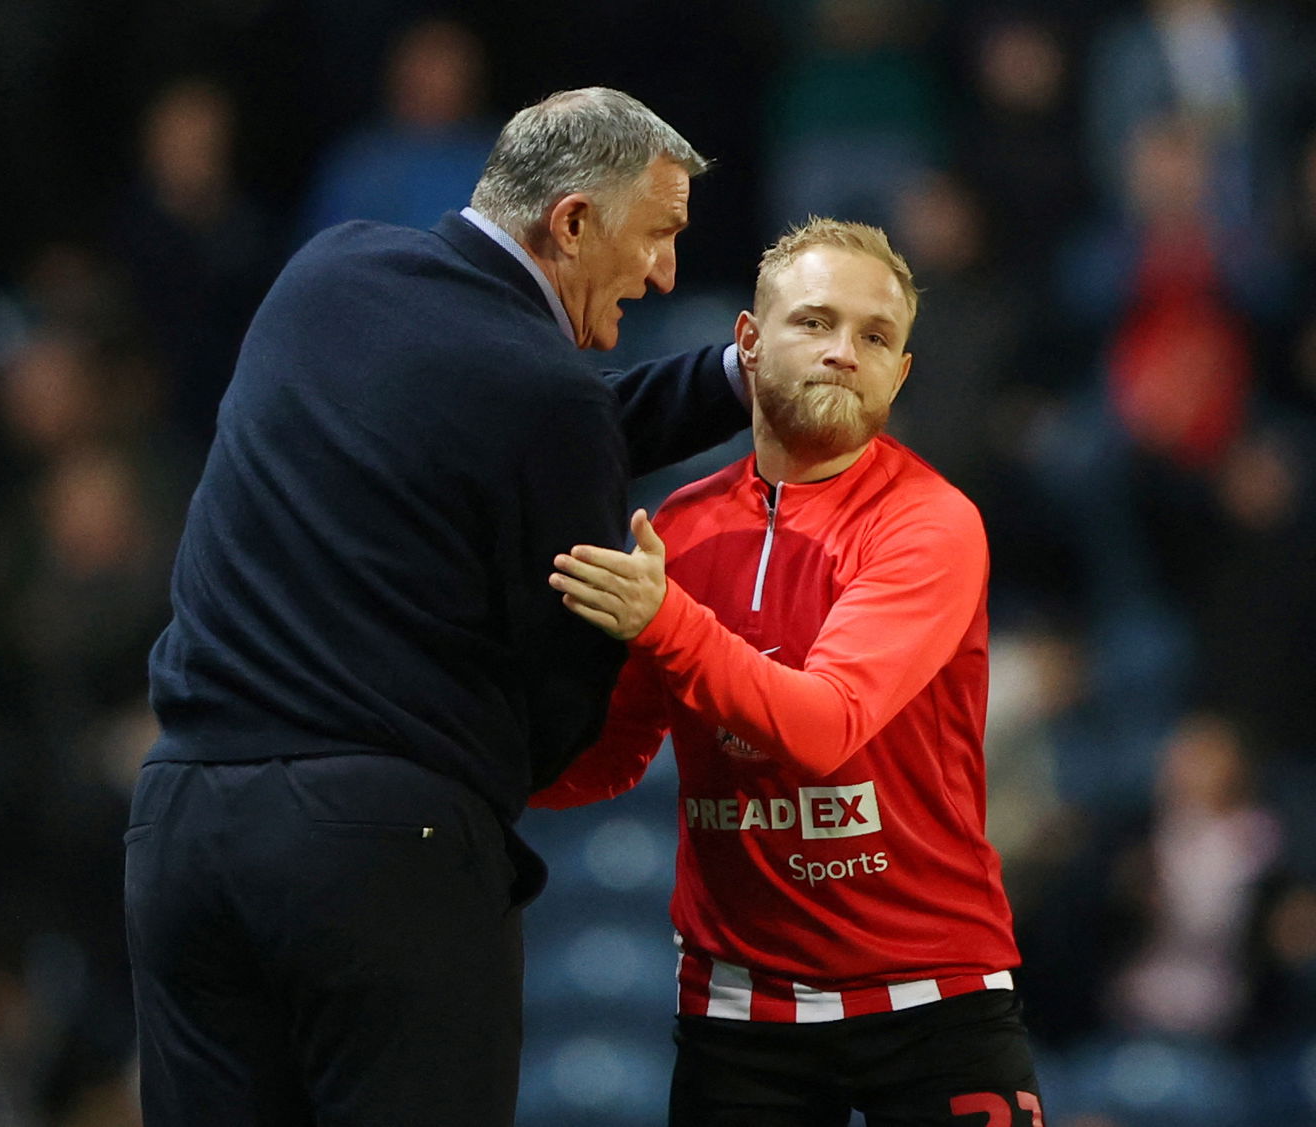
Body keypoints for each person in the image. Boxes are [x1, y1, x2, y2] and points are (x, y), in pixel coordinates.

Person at [123, 87, 750, 1126]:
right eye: (658, 236)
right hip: (381, 848)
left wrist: (736, 377)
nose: (665, 272)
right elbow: (559, 714)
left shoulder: (325, 274)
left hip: (183, 828)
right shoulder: (543, 401)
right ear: (575, 221)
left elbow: (537, 417)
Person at [536, 218, 1046, 1125]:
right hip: (741, 1013)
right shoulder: (682, 530)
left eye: (876, 336)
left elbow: (823, 727)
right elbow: (610, 758)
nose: (845, 352)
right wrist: (449, 760)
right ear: (748, 341)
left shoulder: (931, 523)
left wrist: (666, 619)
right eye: (815, 322)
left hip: (936, 1000)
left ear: (900, 374)